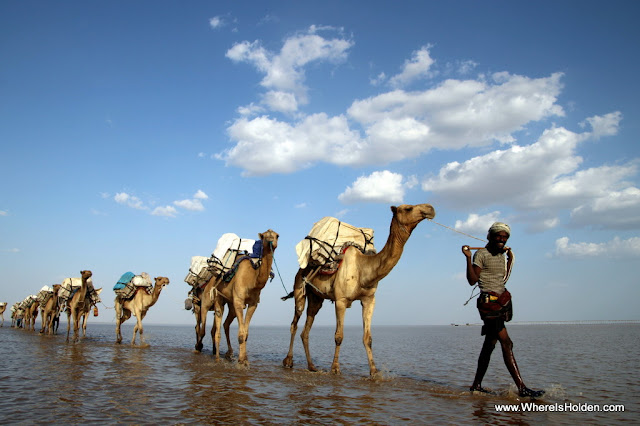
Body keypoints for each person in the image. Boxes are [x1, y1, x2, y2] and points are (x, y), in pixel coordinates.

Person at [462, 222, 544, 398]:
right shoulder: (481, 254)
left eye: (505, 237)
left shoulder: (502, 255)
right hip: (489, 306)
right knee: (507, 343)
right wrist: (468, 258)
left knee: (489, 345)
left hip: (500, 304)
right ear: (489, 236)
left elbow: (504, 278)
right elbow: (472, 280)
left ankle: (476, 386)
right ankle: (521, 388)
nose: (501, 239)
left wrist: (509, 257)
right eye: (498, 236)